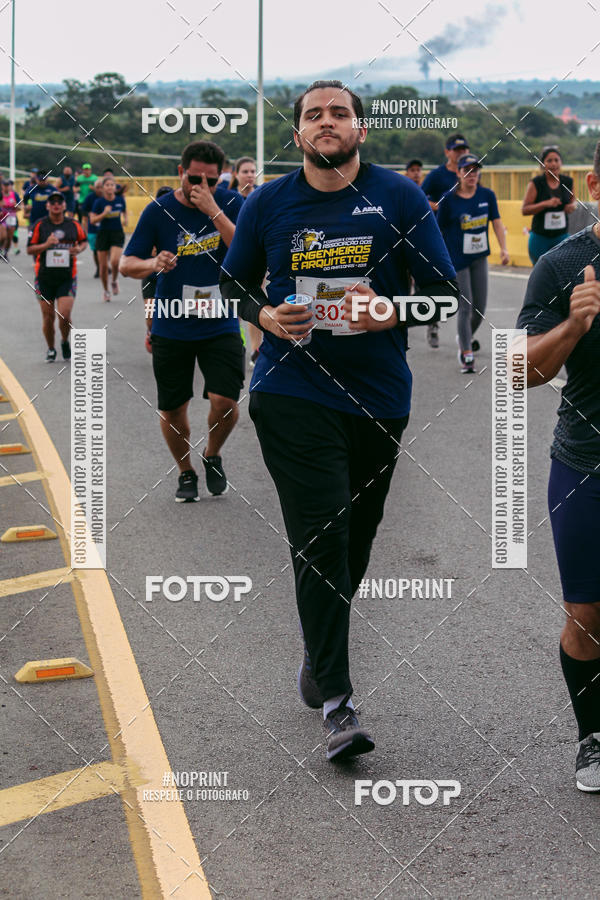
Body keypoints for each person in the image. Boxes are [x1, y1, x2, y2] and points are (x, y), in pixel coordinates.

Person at [221, 79, 458, 762]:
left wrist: (390, 310)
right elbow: (234, 285)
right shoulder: (269, 202)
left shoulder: (399, 197)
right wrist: (266, 316)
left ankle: (317, 652)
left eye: (340, 113)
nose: (327, 121)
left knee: (353, 541)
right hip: (291, 392)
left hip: (378, 398)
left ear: (360, 129)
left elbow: (443, 296)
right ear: (298, 133)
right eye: (314, 114)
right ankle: (338, 704)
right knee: (323, 539)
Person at [516, 139, 600, 793]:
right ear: (595, 186)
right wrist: (572, 328)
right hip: (585, 464)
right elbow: (518, 372)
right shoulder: (561, 265)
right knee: (587, 617)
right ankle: (592, 737)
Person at [120, 141, 245, 501]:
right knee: (173, 408)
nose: (201, 187)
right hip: (171, 322)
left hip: (220, 320)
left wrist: (213, 211)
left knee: (226, 401)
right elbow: (126, 264)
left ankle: (212, 454)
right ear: (180, 172)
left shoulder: (233, 204)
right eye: (194, 179)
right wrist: (153, 263)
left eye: (211, 181)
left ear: (222, 177)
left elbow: (249, 253)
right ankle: (185, 471)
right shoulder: (158, 211)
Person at [437, 153, 509, 373]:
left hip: (479, 257)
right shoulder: (448, 199)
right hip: (457, 259)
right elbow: (437, 231)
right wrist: (439, 259)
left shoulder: (487, 195)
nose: (472, 174)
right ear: (459, 173)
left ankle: (464, 336)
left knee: (480, 309)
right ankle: (467, 353)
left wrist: (504, 248)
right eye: (467, 170)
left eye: (475, 170)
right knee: (465, 307)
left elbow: (497, 222)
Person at [26, 191, 87, 362]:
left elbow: (83, 241)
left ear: (64, 205)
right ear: (47, 206)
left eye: (59, 202)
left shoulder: (73, 224)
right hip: (43, 278)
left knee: (64, 315)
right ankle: (51, 348)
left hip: (67, 276)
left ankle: (65, 341)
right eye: (52, 202)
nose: (56, 205)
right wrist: (46, 244)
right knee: (48, 317)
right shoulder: (40, 225)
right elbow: (29, 249)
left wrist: (79, 249)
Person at [229, 157, 263, 364]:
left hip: (257, 259)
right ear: (236, 174)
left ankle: (256, 349)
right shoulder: (229, 198)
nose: (250, 175)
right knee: (234, 304)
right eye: (245, 171)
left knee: (255, 302)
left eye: (252, 171)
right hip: (231, 259)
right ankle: (235, 342)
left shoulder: (261, 195)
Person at [522, 145, 577, 264]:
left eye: (556, 160)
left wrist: (572, 206)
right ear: (542, 164)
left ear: (561, 162)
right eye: (549, 161)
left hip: (561, 237)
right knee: (541, 273)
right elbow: (525, 210)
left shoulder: (568, 182)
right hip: (540, 238)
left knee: (563, 271)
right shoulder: (536, 183)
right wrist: (545, 204)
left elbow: (573, 202)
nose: (553, 164)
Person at [141, 185, 174, 353]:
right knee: (151, 315)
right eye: (162, 199)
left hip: (175, 277)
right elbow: (137, 251)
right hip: (152, 277)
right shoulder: (150, 220)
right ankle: (150, 332)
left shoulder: (182, 222)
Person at [90, 176, 127, 301]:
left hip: (117, 233)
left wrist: (125, 218)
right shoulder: (99, 202)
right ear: (103, 188)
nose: (110, 187)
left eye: (112, 185)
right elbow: (93, 220)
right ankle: (106, 291)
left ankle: (114, 281)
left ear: (115, 187)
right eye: (107, 185)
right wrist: (104, 214)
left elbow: (124, 210)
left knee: (115, 262)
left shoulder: (120, 200)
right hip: (103, 234)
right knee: (103, 266)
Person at [421, 134, 469, 210]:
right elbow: (419, 198)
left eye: (464, 149)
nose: (461, 153)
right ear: (447, 152)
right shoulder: (436, 175)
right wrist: (440, 207)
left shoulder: (472, 174)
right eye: (457, 150)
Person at [80, 178, 104, 278]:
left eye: (101, 187)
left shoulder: (108, 197)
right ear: (94, 188)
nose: (99, 189)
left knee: (106, 250)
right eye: (97, 187)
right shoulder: (90, 198)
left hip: (106, 228)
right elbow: (84, 215)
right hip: (93, 228)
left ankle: (104, 266)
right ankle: (99, 268)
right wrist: (85, 231)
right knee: (95, 250)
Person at [0, 180, 21, 260]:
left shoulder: (14, 194)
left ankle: (5, 253)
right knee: (3, 236)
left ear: (10, 186)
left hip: (11, 217)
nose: (6, 187)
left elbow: (20, 208)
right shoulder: (0, 194)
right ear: (2, 186)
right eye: (4, 185)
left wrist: (16, 206)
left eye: (7, 185)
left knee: (9, 238)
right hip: (2, 218)